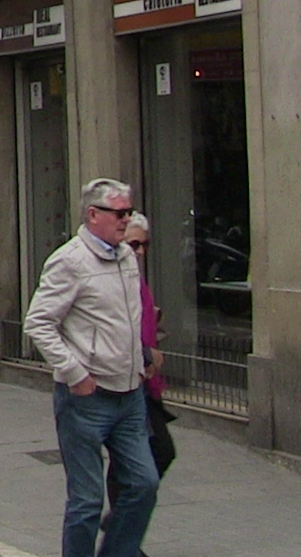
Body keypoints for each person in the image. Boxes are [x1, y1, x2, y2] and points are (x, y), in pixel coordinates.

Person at [23, 178, 159, 557]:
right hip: (86, 399)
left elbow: (127, 318)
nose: (125, 219)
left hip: (129, 395)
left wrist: (142, 356)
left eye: (129, 211)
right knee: (86, 500)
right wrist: (74, 373)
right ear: (93, 214)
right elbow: (38, 322)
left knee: (144, 484)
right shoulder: (69, 261)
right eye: (119, 213)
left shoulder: (127, 258)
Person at [108, 213, 176, 526]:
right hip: (123, 382)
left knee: (150, 455)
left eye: (144, 245)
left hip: (143, 382)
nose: (140, 252)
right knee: (149, 454)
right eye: (134, 244)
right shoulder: (114, 279)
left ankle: (121, 525)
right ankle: (122, 526)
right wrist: (146, 353)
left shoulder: (136, 279)